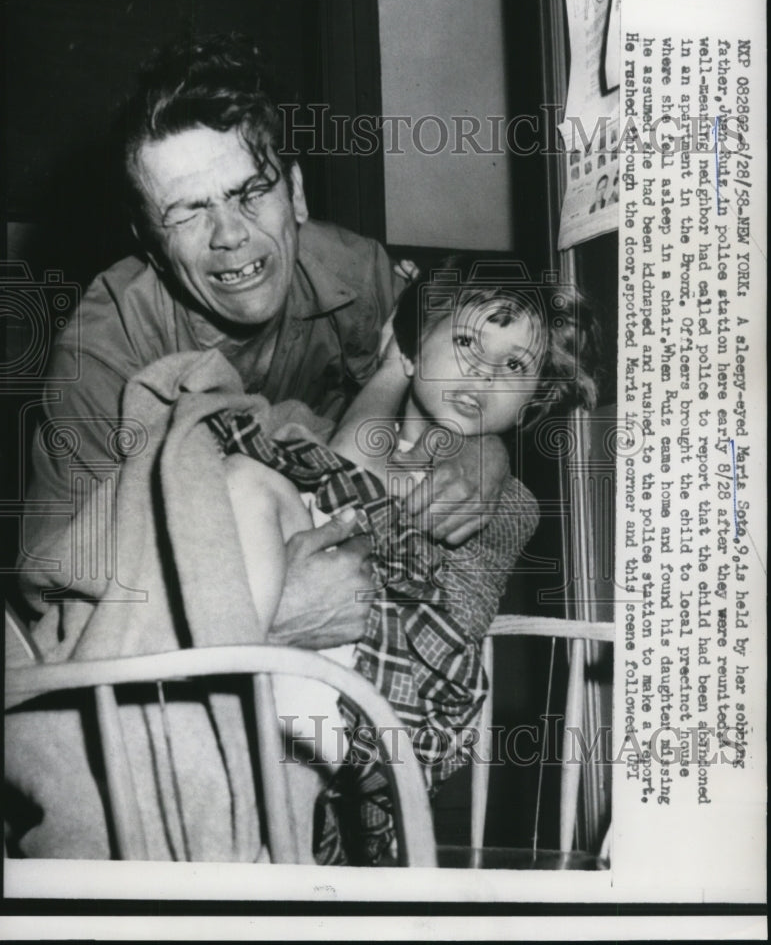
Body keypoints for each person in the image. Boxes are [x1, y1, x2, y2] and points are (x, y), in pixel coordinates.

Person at [16, 33, 512, 656]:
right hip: (176, 651)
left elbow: (481, 375)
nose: (230, 235)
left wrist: (487, 449)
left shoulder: (358, 277)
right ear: (151, 243)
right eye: (188, 212)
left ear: (296, 194)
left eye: (251, 192)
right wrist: (261, 621)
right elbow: (59, 619)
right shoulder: (103, 350)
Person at [216, 256, 599, 862]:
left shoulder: (511, 501)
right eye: (468, 340)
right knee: (245, 478)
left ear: (531, 399)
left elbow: (354, 477)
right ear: (419, 346)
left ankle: (270, 834)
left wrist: (397, 365)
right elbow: (337, 474)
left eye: (516, 365)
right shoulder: (332, 429)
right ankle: (229, 683)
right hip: (311, 655)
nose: (486, 371)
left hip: (403, 691)